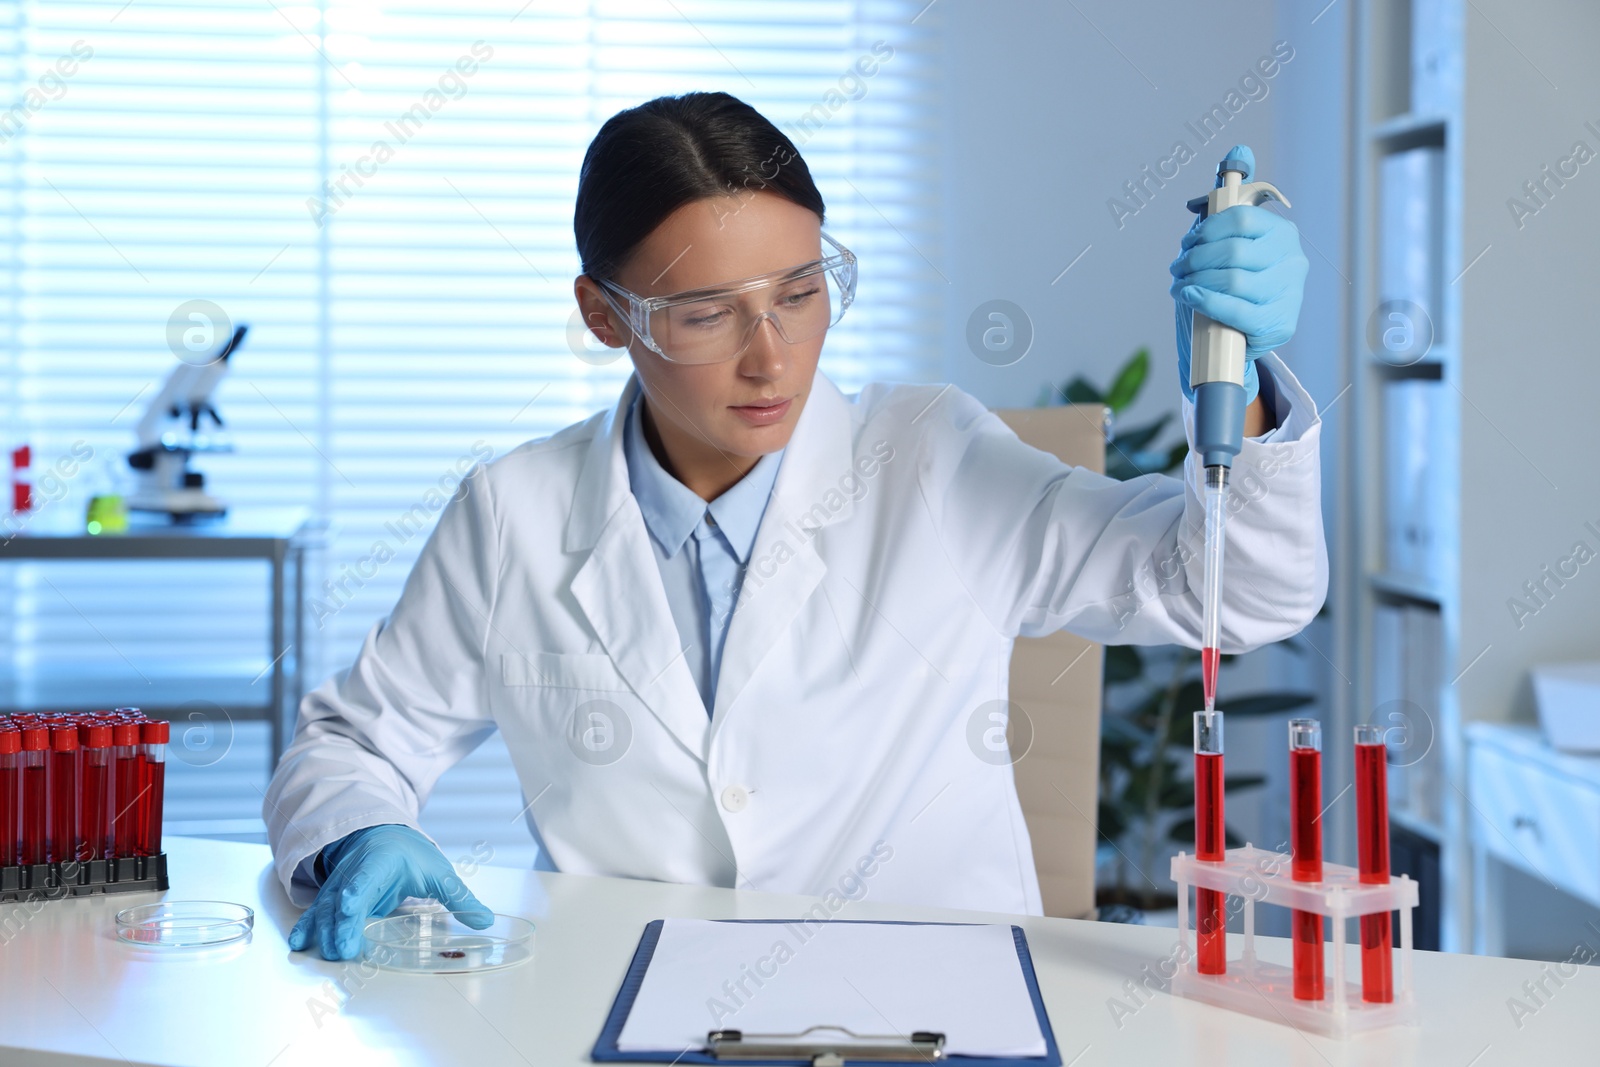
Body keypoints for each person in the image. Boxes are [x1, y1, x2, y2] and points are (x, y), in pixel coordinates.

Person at [265, 91, 1324, 961]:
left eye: (801, 291)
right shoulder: (515, 512)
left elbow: (1237, 589)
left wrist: (1249, 395)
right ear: (603, 316)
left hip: (939, 1014)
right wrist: (363, 827)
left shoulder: (931, 458)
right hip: (626, 1008)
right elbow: (354, 738)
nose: (771, 356)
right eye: (707, 312)